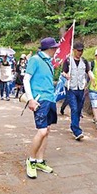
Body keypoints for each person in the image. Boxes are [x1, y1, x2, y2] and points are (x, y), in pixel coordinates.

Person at [23, 37, 59, 179]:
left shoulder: (49, 61)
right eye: (55, 47)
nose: (56, 50)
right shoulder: (35, 60)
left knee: (47, 130)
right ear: (50, 49)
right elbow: (26, 79)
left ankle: (39, 160)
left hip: (50, 98)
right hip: (40, 99)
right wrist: (30, 99)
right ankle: (31, 160)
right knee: (42, 130)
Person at [62, 42, 95, 140]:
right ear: (74, 50)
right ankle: (76, 131)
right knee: (74, 108)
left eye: (81, 50)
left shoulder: (84, 61)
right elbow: (63, 72)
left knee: (79, 109)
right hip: (70, 88)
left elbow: (88, 71)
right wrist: (66, 75)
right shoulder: (68, 61)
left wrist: (93, 79)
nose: (80, 52)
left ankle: (74, 125)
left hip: (81, 88)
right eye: (78, 50)